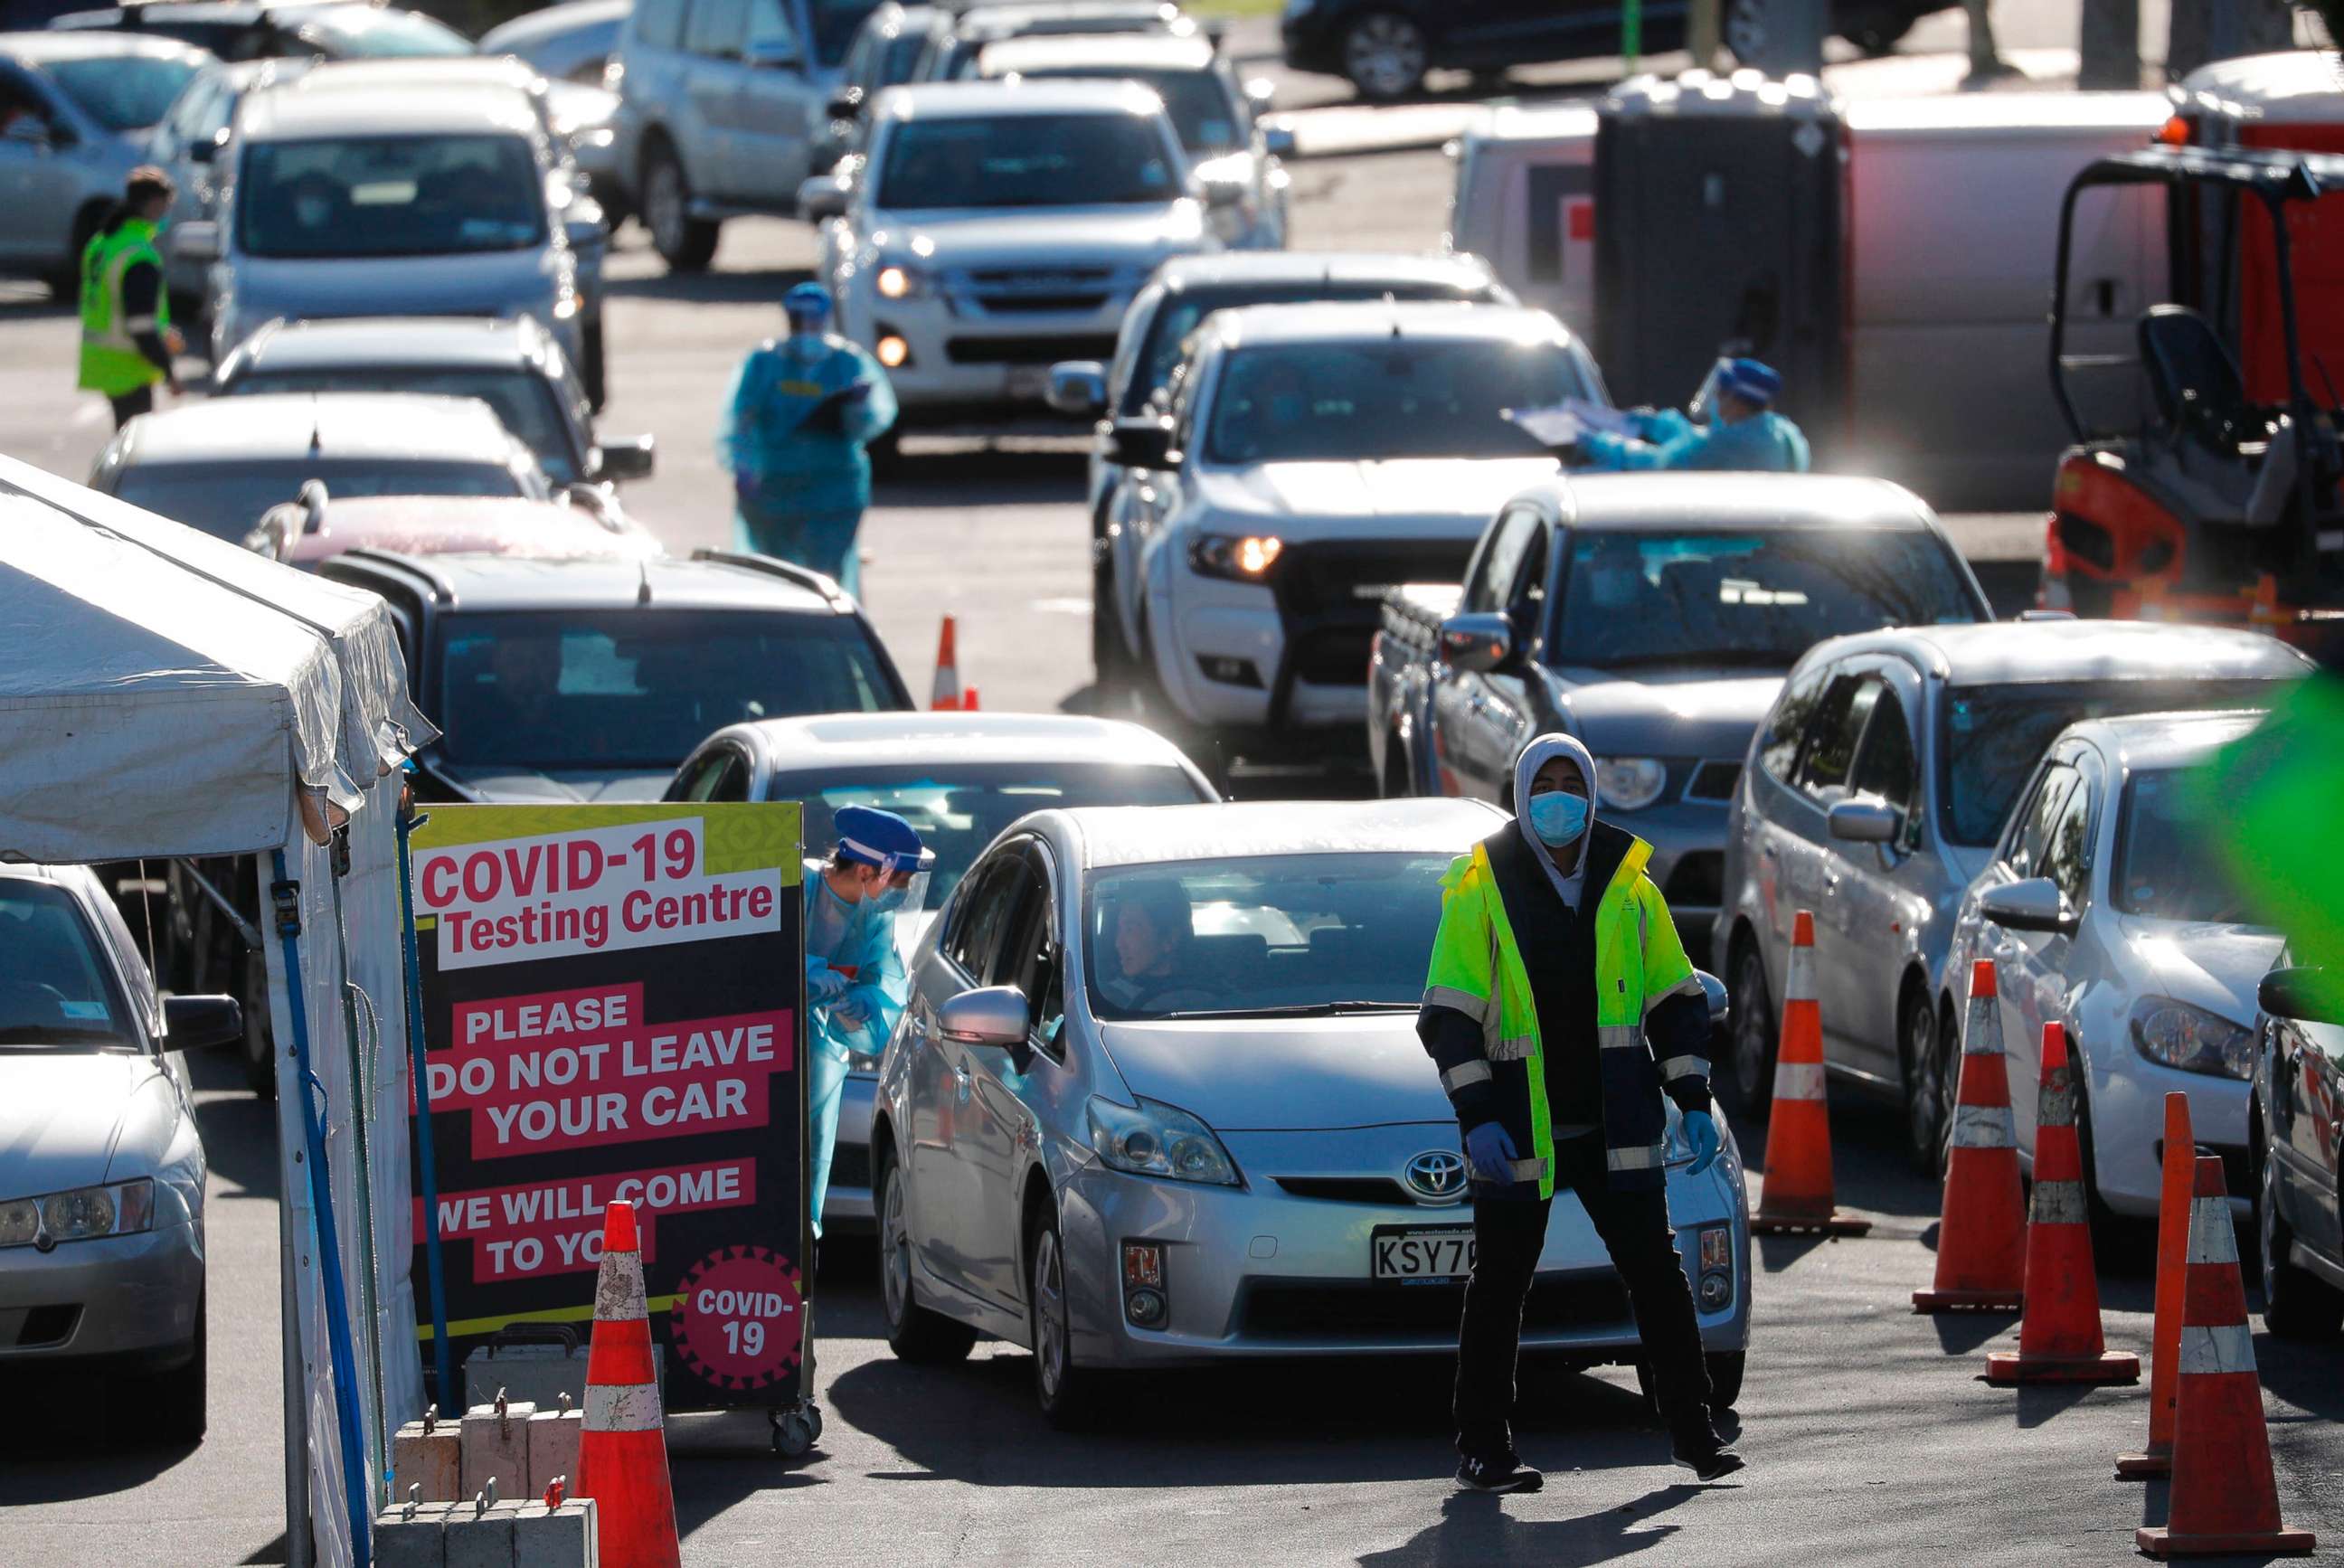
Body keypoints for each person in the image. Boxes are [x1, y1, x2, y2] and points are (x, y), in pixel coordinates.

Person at [1418, 732, 1741, 1493]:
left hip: (1615, 1123)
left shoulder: (1630, 885)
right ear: (1523, 793)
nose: (1559, 798)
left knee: (1657, 1278)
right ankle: (1482, 1449)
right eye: (1545, 784)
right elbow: (1449, 1015)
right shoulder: (1482, 884)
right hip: (1519, 1125)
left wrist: (1692, 1099)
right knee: (1500, 1285)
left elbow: (1674, 999)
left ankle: (1695, 1432)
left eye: (1573, 783)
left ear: (1593, 795)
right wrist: (1477, 1116)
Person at [717, 282, 898, 599]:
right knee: (776, 579)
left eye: (813, 321)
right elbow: (738, 421)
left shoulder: (848, 362)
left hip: (834, 491)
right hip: (774, 491)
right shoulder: (764, 364)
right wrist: (744, 469)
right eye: (800, 321)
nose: (807, 330)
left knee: (826, 578)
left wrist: (854, 408)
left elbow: (876, 418)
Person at [803, 805, 932, 1237]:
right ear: (864, 870)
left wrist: (860, 1006)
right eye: (899, 881)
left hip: (816, 1069)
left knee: (802, 1186)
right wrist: (804, 973)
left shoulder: (874, 920)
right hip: (754, 1058)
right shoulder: (794, 887)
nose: (902, 893)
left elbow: (885, 994)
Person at [78, 166, 184, 430]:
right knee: (134, 451)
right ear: (155, 204)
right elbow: (140, 324)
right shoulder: (138, 255)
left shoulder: (102, 243)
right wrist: (168, 370)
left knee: (124, 439)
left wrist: (162, 333)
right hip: (129, 365)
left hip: (103, 361)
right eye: (166, 207)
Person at [1576, 356, 1809, 474]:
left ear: (1739, 404)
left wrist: (1602, 443)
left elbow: (1661, 463)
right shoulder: (1776, 431)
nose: (1716, 399)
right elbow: (1697, 439)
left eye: (1722, 394)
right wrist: (1660, 424)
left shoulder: (1730, 444)